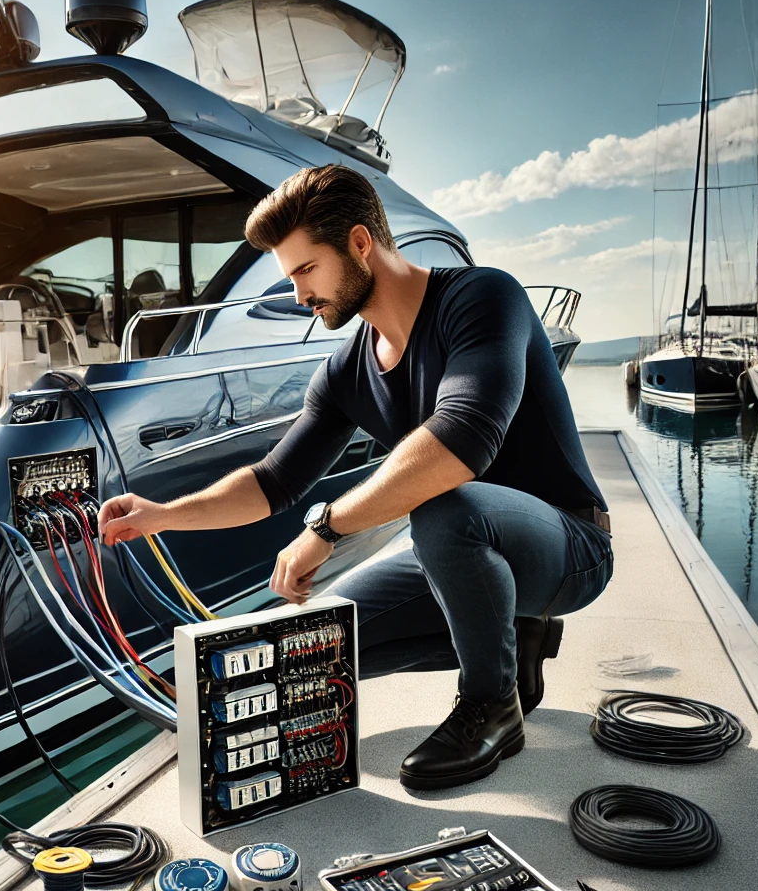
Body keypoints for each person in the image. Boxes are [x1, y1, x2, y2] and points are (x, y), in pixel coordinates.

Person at [97, 164, 614, 790]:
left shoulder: (483, 299)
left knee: (444, 507)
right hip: (461, 559)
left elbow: (462, 444)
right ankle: (512, 639)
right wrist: (162, 513)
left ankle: (491, 704)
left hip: (567, 547)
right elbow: (273, 480)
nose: (297, 296)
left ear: (360, 244)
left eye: (305, 271)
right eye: (289, 277)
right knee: (305, 646)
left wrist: (328, 527)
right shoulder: (346, 369)